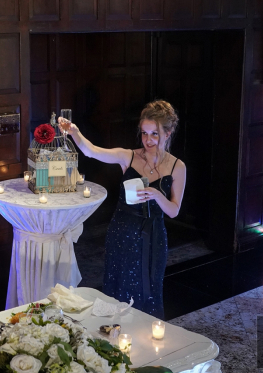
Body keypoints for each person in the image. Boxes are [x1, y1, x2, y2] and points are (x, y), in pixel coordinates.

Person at [62, 100, 186, 319]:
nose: (148, 140)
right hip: (122, 232)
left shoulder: (178, 167)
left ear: (168, 133)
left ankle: (148, 342)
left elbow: (174, 210)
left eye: (154, 134)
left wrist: (157, 195)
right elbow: (91, 151)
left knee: (149, 290)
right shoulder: (128, 156)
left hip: (153, 237)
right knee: (117, 289)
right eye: (144, 133)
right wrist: (75, 132)